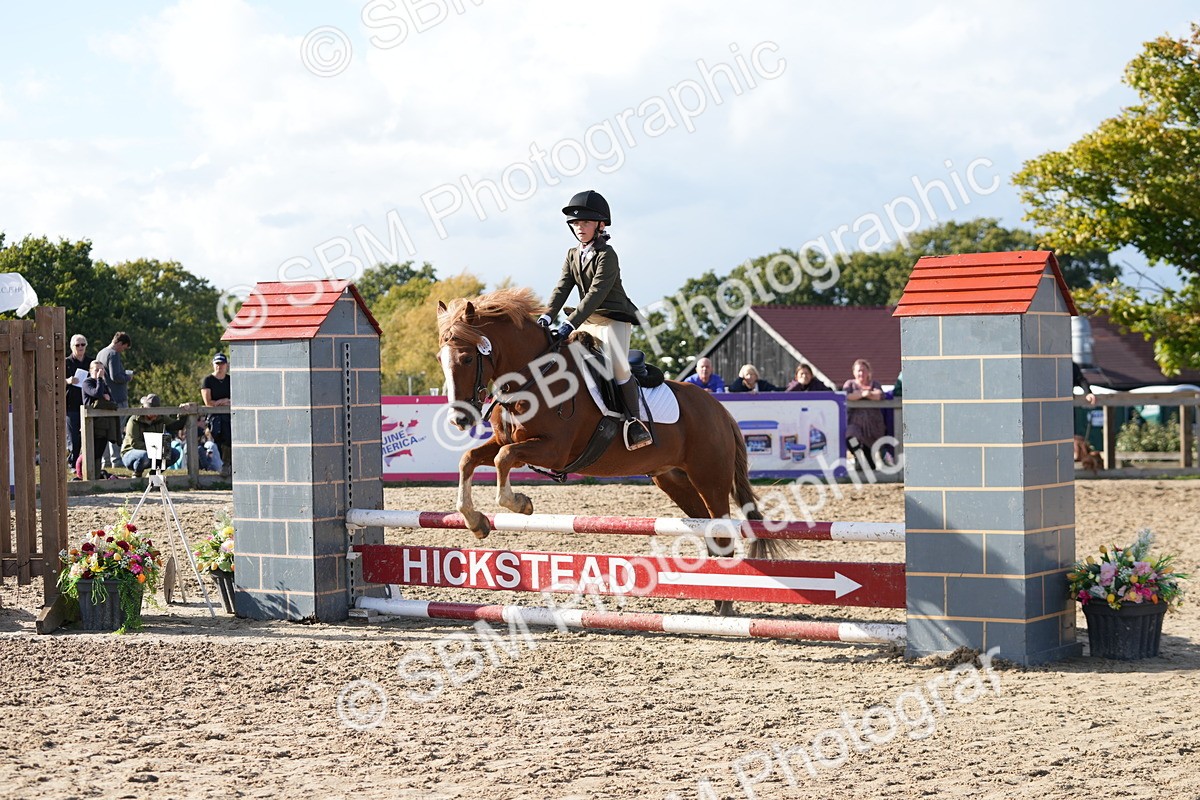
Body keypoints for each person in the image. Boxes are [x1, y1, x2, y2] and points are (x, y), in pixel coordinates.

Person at [538, 190, 651, 450]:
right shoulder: (572, 254)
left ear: (600, 225)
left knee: (618, 368)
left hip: (612, 320)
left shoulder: (607, 255)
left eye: (586, 222)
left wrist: (570, 323)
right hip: (586, 320)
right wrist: (546, 316)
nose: (580, 227)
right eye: (576, 223)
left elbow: (595, 294)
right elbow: (562, 288)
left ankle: (634, 423)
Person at [121, 394, 196, 478]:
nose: (154, 414)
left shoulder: (161, 417)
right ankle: (137, 474)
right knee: (144, 455)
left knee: (174, 454)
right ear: (145, 408)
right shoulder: (134, 420)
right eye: (151, 411)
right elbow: (135, 443)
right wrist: (156, 450)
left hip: (154, 450)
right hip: (131, 452)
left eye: (156, 411)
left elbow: (176, 425)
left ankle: (153, 475)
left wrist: (183, 412)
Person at [95, 332, 134, 468]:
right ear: (120, 343)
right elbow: (115, 376)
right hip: (118, 398)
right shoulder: (113, 354)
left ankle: (105, 460)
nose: (123, 350)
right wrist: (128, 377)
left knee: (105, 430)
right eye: (124, 347)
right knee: (116, 430)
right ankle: (116, 460)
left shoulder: (100, 353)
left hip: (106, 397)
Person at [79, 361, 122, 479]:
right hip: (91, 424)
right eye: (96, 369)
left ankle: (96, 477)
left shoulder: (103, 384)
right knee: (90, 452)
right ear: (90, 371)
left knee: (99, 452)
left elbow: (112, 401)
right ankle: (86, 476)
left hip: (104, 425)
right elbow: (96, 393)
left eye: (102, 370)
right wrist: (99, 380)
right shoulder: (87, 382)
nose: (99, 372)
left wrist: (104, 392)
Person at [843, 358, 888, 469]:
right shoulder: (850, 384)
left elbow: (879, 395)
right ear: (854, 372)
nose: (861, 373)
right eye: (858, 370)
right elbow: (846, 396)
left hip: (873, 424)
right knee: (851, 437)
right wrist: (863, 394)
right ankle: (858, 458)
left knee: (870, 463)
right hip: (855, 422)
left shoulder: (875, 384)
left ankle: (869, 465)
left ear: (868, 372)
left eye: (863, 370)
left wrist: (866, 394)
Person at [202, 353, 233, 476]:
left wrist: (224, 401)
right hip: (214, 417)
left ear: (226, 365)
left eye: (222, 364)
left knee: (229, 437)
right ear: (213, 365)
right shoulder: (208, 380)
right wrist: (223, 401)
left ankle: (228, 465)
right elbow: (208, 402)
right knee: (218, 438)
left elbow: (236, 399)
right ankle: (223, 465)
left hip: (229, 415)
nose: (220, 366)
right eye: (217, 364)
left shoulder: (230, 380)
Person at [64, 334, 90, 471]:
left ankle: (86, 463)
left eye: (83, 344)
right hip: (71, 404)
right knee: (73, 436)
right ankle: (72, 463)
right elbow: (54, 380)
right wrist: (68, 381)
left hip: (87, 404)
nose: (80, 347)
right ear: (71, 347)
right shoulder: (65, 362)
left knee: (87, 435)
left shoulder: (91, 362)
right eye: (77, 345)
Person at [1073, 362, 1098, 462]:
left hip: (1067, 406)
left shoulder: (1070, 365)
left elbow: (1081, 379)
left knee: (1070, 434)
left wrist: (1088, 393)